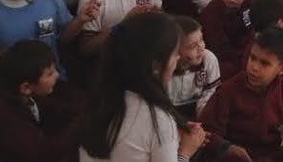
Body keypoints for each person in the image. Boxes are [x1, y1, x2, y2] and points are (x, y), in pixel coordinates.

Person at [79, 12, 206, 162]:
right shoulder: (157, 119)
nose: (177, 59)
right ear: (156, 66)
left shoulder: (99, 100)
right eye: (174, 54)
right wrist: (186, 151)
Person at [199, 27, 283, 162]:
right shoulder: (229, 90)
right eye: (253, 58)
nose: (254, 67)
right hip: (238, 156)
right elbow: (206, 131)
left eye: (265, 63)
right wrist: (227, 148)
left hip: (269, 155)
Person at [0, 40, 80, 162]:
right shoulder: (3, 116)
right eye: (50, 73)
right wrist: (80, 125)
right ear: (26, 87)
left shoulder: (23, 93)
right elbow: (44, 153)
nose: (57, 75)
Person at [200, 0, 257, 79]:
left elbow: (257, 26)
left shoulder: (252, 2)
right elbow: (220, 49)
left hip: (246, 51)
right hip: (223, 58)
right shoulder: (212, 12)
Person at [167, 16, 220, 119]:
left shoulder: (208, 59)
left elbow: (211, 91)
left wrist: (202, 115)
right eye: (193, 46)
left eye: (201, 40)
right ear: (175, 50)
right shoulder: (166, 69)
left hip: (198, 108)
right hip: (171, 113)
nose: (201, 47)